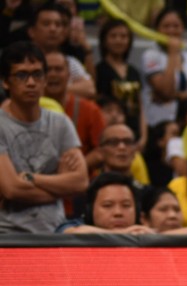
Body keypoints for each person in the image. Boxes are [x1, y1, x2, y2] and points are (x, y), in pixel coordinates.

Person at [0, 41, 87, 234]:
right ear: (5, 81)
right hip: (7, 233)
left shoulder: (60, 122)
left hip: (56, 230)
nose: (31, 82)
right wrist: (60, 188)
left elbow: (80, 182)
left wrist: (31, 178)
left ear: (45, 79)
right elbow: (12, 189)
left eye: (37, 74)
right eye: (21, 75)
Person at [141, 8, 187, 127]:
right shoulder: (150, 55)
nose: (171, 30)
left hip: (186, 122)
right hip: (157, 122)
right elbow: (166, 92)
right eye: (166, 26)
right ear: (157, 29)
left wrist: (180, 95)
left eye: (176, 26)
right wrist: (173, 54)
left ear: (183, 28)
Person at [95, 19, 146, 143]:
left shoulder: (134, 71)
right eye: (113, 36)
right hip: (111, 134)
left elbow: (140, 106)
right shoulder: (98, 70)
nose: (119, 40)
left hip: (134, 134)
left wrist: (144, 137)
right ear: (104, 40)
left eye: (123, 36)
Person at [59, 173, 154, 234]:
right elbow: (69, 233)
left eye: (126, 205)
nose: (118, 213)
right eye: (108, 205)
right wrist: (122, 234)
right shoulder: (76, 226)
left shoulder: (142, 232)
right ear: (90, 209)